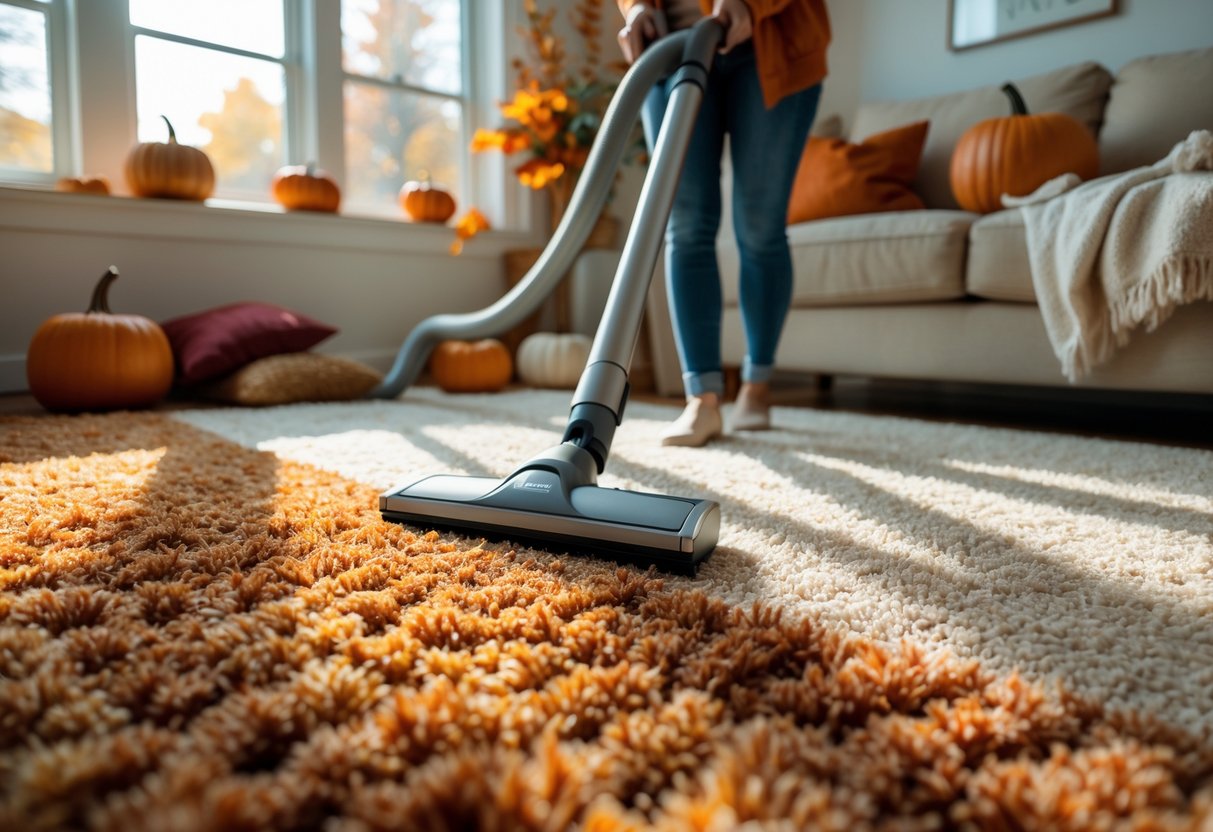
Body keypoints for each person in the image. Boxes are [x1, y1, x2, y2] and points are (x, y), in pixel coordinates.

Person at [616, 0, 830, 446]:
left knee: (760, 225)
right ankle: (703, 400)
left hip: (772, 38)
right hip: (672, 49)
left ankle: (757, 385)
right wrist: (635, 7)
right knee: (687, 226)